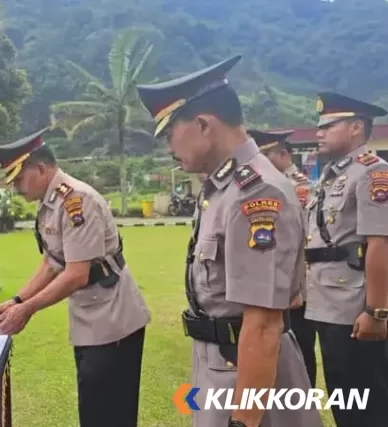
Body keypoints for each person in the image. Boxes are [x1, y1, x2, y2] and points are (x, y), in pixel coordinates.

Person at [136, 55, 322, 427]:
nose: (169, 148)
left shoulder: (255, 193)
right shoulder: (222, 188)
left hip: (248, 376)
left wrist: (244, 421)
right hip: (220, 362)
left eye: (171, 133)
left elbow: (264, 323)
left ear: (203, 125)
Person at [0, 127, 151, 427]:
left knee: (109, 413)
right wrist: (17, 300)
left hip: (112, 318)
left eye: (19, 179)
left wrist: (27, 310)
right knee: (93, 407)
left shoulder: (77, 201)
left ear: (41, 168)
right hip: (91, 314)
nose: (16, 189)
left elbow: (75, 274)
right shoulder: (50, 204)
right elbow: (52, 262)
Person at [303, 91, 388, 427]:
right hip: (329, 302)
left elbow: (380, 243)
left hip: (356, 306)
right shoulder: (333, 175)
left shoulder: (372, 173)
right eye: (318, 126)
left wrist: (376, 312)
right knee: (346, 400)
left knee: (367, 405)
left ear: (356, 127)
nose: (319, 132)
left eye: (329, 125)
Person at [248, 128, 317, 387]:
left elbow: (302, 239)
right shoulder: (269, 184)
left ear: (284, 154)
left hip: (300, 285)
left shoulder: (298, 188)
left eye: (267, 155)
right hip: (280, 280)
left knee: (300, 347)